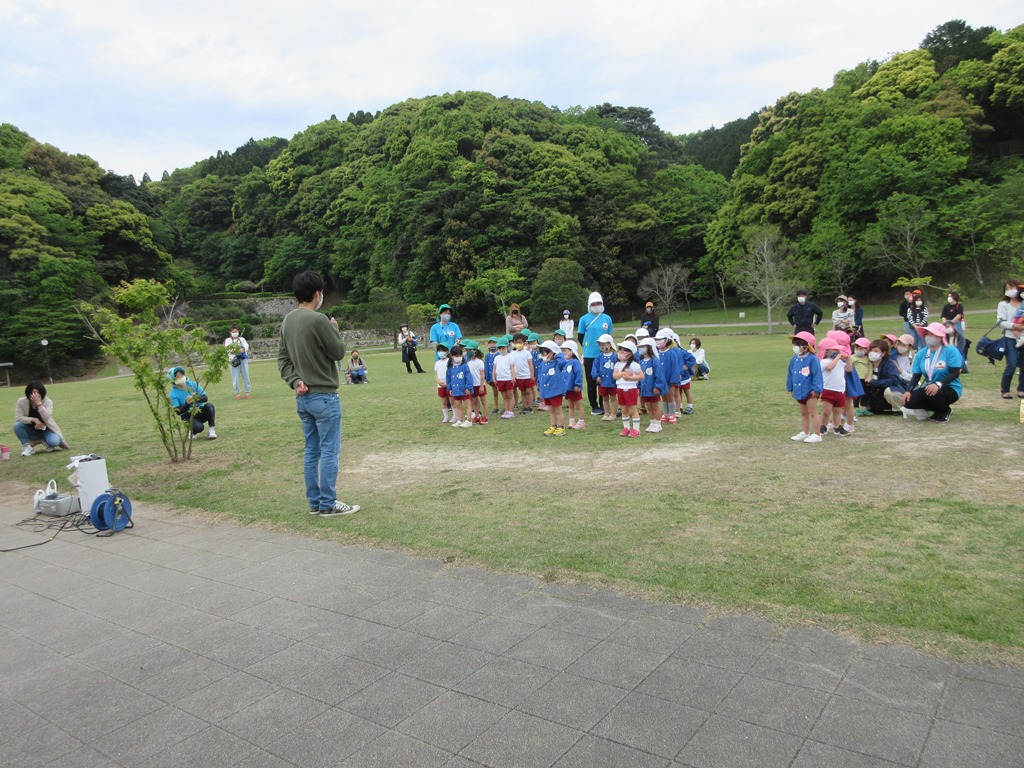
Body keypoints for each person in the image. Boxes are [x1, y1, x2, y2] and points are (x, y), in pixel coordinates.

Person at [277, 270, 359, 517]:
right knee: (329, 450)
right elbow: (338, 353)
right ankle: (328, 503)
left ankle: (315, 502)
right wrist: (334, 328)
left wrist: (295, 381)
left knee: (312, 450)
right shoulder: (319, 320)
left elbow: (282, 359)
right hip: (324, 396)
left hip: (303, 397)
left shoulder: (287, 321)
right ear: (316, 294)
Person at [901, 322, 963, 423]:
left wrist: (938, 384)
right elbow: (916, 376)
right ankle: (937, 409)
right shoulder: (921, 353)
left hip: (951, 387)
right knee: (908, 401)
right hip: (929, 387)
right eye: (927, 334)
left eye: (932, 334)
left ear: (939, 337)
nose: (928, 337)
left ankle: (944, 411)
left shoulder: (950, 351)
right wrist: (908, 390)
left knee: (933, 393)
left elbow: (954, 373)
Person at [578, 292, 613, 414]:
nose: (596, 305)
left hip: (604, 354)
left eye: (599, 303)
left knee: (604, 380)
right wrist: (588, 348)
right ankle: (594, 406)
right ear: (589, 304)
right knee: (591, 381)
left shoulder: (607, 318)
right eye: (594, 303)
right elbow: (580, 337)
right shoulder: (584, 319)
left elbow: (609, 335)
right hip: (590, 355)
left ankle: (604, 405)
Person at [13, 381, 69, 456]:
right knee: (17, 425)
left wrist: (39, 404)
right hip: (31, 430)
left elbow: (47, 417)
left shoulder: (48, 402)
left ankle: (46, 442)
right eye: (32, 393)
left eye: (37, 393)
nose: (35, 395)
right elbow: (19, 418)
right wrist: (34, 419)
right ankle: (27, 447)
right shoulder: (22, 402)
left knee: (54, 441)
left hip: (46, 430)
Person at [787, 331, 823, 443]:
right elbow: (790, 373)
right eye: (794, 345)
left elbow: (817, 374)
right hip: (799, 390)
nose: (795, 347)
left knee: (813, 412)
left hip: (810, 392)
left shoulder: (813, 359)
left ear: (805, 346)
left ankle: (817, 434)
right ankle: (805, 432)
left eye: (797, 345)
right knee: (804, 413)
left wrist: (817, 389)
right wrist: (791, 388)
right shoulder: (794, 359)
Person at [168, 367, 217, 439]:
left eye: (182, 375)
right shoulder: (173, 394)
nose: (181, 377)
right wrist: (187, 404)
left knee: (209, 406)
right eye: (178, 376)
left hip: (199, 410)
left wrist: (196, 399)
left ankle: (212, 430)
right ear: (173, 380)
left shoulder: (193, 384)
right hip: (187, 415)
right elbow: (177, 411)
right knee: (199, 427)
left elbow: (205, 398)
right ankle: (193, 431)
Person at [817, 338, 850, 436]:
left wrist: (848, 360)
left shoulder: (840, 362)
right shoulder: (824, 362)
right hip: (828, 390)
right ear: (827, 352)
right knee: (826, 411)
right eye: (834, 350)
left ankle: (838, 426)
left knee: (837, 411)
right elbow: (829, 367)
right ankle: (823, 426)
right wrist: (837, 357)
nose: (837, 352)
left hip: (839, 390)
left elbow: (849, 369)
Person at [996, 281, 1023, 399]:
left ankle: (1021, 389)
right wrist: (1013, 326)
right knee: (1011, 364)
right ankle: (1005, 389)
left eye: (1012, 287)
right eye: (1007, 289)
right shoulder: (1003, 304)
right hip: (1010, 338)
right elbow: (1000, 322)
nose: (1010, 290)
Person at [863, 338, 905, 414]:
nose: (872, 353)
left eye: (876, 351)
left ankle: (898, 409)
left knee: (890, 391)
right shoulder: (866, 363)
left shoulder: (889, 364)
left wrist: (874, 382)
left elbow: (894, 380)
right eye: (871, 350)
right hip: (876, 395)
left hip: (890, 391)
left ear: (883, 353)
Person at [612, 340, 644, 437]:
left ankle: (636, 429)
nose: (621, 352)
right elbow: (615, 376)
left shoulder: (634, 364)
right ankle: (626, 427)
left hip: (630, 389)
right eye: (620, 350)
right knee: (624, 409)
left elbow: (641, 376)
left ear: (630, 353)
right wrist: (623, 374)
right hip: (620, 388)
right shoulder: (618, 364)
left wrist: (630, 378)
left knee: (632, 409)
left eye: (624, 350)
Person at [536, 341, 567, 436]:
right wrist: (540, 389)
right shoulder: (542, 364)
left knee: (558, 410)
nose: (543, 356)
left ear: (551, 353)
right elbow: (540, 377)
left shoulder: (557, 363)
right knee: (551, 410)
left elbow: (564, 362)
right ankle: (553, 426)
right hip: (546, 392)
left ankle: (561, 427)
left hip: (556, 391)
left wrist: (557, 353)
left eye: (544, 353)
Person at [637, 337, 667, 432]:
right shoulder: (641, 362)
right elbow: (639, 375)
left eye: (643, 346)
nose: (641, 349)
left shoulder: (654, 361)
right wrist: (638, 387)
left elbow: (659, 375)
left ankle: (658, 424)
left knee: (655, 406)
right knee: (649, 407)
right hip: (644, 389)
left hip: (653, 389)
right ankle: (652, 422)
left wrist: (657, 386)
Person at [445, 344, 474, 428]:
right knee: (458, 406)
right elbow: (448, 378)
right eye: (455, 355)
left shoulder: (464, 366)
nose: (458, 357)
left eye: (459, 355)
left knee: (467, 405)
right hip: (455, 390)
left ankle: (469, 420)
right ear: (452, 356)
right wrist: (449, 388)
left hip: (464, 390)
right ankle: (459, 420)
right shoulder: (450, 368)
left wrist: (468, 387)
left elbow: (469, 377)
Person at [560, 340, 585, 429]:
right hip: (567, 388)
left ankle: (581, 422)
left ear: (571, 351)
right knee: (570, 405)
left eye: (565, 351)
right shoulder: (564, 362)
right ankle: (572, 420)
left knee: (578, 405)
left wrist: (577, 384)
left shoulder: (575, 362)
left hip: (574, 388)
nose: (563, 353)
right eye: (562, 351)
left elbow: (579, 374)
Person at [940, 292, 967, 373]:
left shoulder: (959, 306)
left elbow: (959, 315)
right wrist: (946, 324)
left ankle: (962, 366)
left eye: (950, 296)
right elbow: (943, 316)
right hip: (947, 324)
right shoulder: (946, 306)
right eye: (948, 296)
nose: (949, 298)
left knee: (958, 346)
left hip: (955, 324)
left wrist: (951, 323)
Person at [592, 334, 617, 421]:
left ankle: (613, 413)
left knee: (613, 398)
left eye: (603, 344)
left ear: (609, 344)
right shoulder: (599, 357)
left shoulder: (615, 356)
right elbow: (594, 368)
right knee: (605, 398)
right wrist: (596, 376)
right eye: (600, 344)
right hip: (602, 382)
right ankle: (606, 413)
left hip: (612, 381)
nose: (601, 346)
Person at [510, 332, 535, 414]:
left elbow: (530, 365)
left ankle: (530, 407)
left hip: (527, 376)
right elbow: (512, 366)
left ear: (524, 343)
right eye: (516, 342)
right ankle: (525, 407)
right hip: (519, 376)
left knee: (528, 391)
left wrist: (532, 375)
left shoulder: (527, 353)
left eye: (520, 342)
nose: (518, 344)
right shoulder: (513, 354)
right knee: (523, 392)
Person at [224, 324, 251, 399]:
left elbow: (246, 346)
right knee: (235, 377)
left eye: (236, 331)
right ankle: (237, 392)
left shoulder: (242, 339)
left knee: (246, 376)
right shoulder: (228, 340)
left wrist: (243, 350)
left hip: (243, 360)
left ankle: (247, 391)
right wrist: (236, 350)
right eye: (233, 332)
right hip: (234, 361)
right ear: (230, 332)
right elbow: (228, 350)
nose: (235, 333)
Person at [463, 340, 487, 424]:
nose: (468, 352)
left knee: (483, 401)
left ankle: (485, 416)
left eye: (470, 350)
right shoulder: (468, 363)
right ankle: (476, 416)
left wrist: (481, 386)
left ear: (475, 351)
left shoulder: (479, 362)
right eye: (467, 350)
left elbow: (482, 375)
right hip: (472, 385)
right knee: (475, 401)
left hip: (479, 385)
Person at [492, 337, 517, 419]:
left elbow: (512, 368)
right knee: (504, 396)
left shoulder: (510, 356)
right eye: (499, 348)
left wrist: (513, 377)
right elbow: (494, 369)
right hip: (500, 379)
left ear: (507, 347)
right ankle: (506, 410)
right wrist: (494, 378)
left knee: (510, 396)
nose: (501, 349)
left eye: (503, 347)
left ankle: (510, 411)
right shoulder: (497, 358)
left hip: (508, 379)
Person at [433, 343, 454, 423]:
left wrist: (448, 383)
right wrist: (438, 381)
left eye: (443, 351)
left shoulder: (450, 361)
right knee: (443, 401)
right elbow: (436, 374)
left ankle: (455, 416)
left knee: (452, 401)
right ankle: (446, 417)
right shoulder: (437, 363)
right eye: (439, 351)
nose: (440, 352)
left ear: (447, 352)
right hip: (440, 385)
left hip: (449, 384)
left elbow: (452, 373)